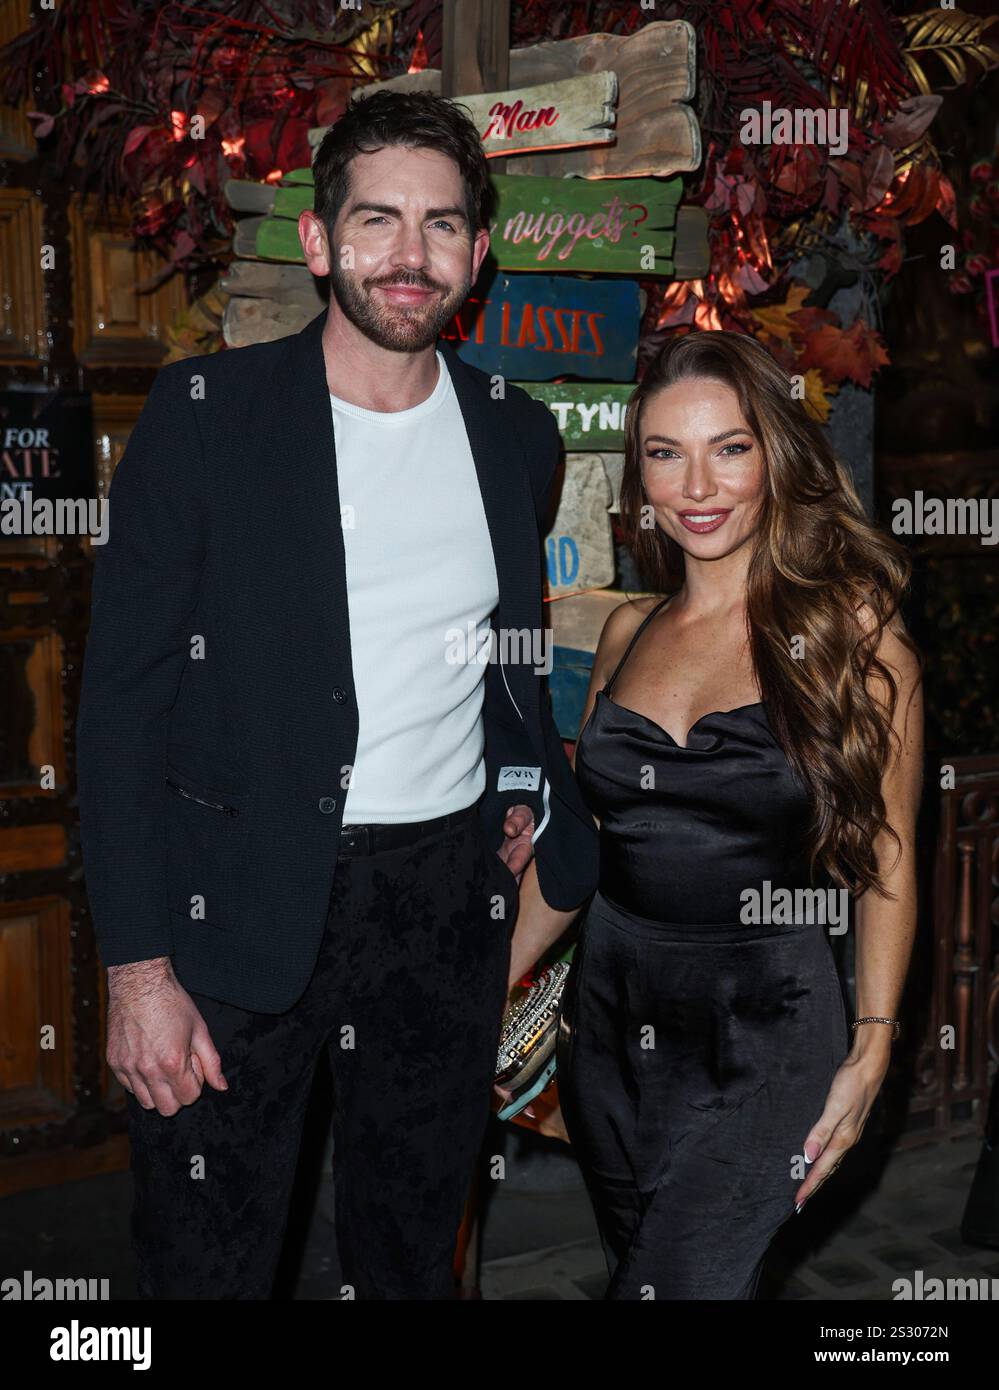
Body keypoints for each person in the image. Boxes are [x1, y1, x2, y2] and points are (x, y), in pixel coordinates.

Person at [75, 89, 598, 1300]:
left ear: (478, 252)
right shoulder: (206, 422)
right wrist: (138, 973)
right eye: (377, 221)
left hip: (438, 907)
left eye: (441, 225)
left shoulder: (514, 435)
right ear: (319, 243)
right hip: (234, 909)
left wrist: (522, 785)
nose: (408, 256)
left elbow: (505, 661)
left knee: (414, 1257)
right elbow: (117, 715)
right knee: (207, 1261)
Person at [505, 330, 923, 1299]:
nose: (697, 484)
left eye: (729, 448)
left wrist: (873, 1043)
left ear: (774, 456)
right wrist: (489, 974)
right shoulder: (625, 632)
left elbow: (890, 859)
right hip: (609, 1028)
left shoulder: (850, 636)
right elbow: (588, 852)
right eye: (665, 453)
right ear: (638, 474)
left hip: (768, 1032)